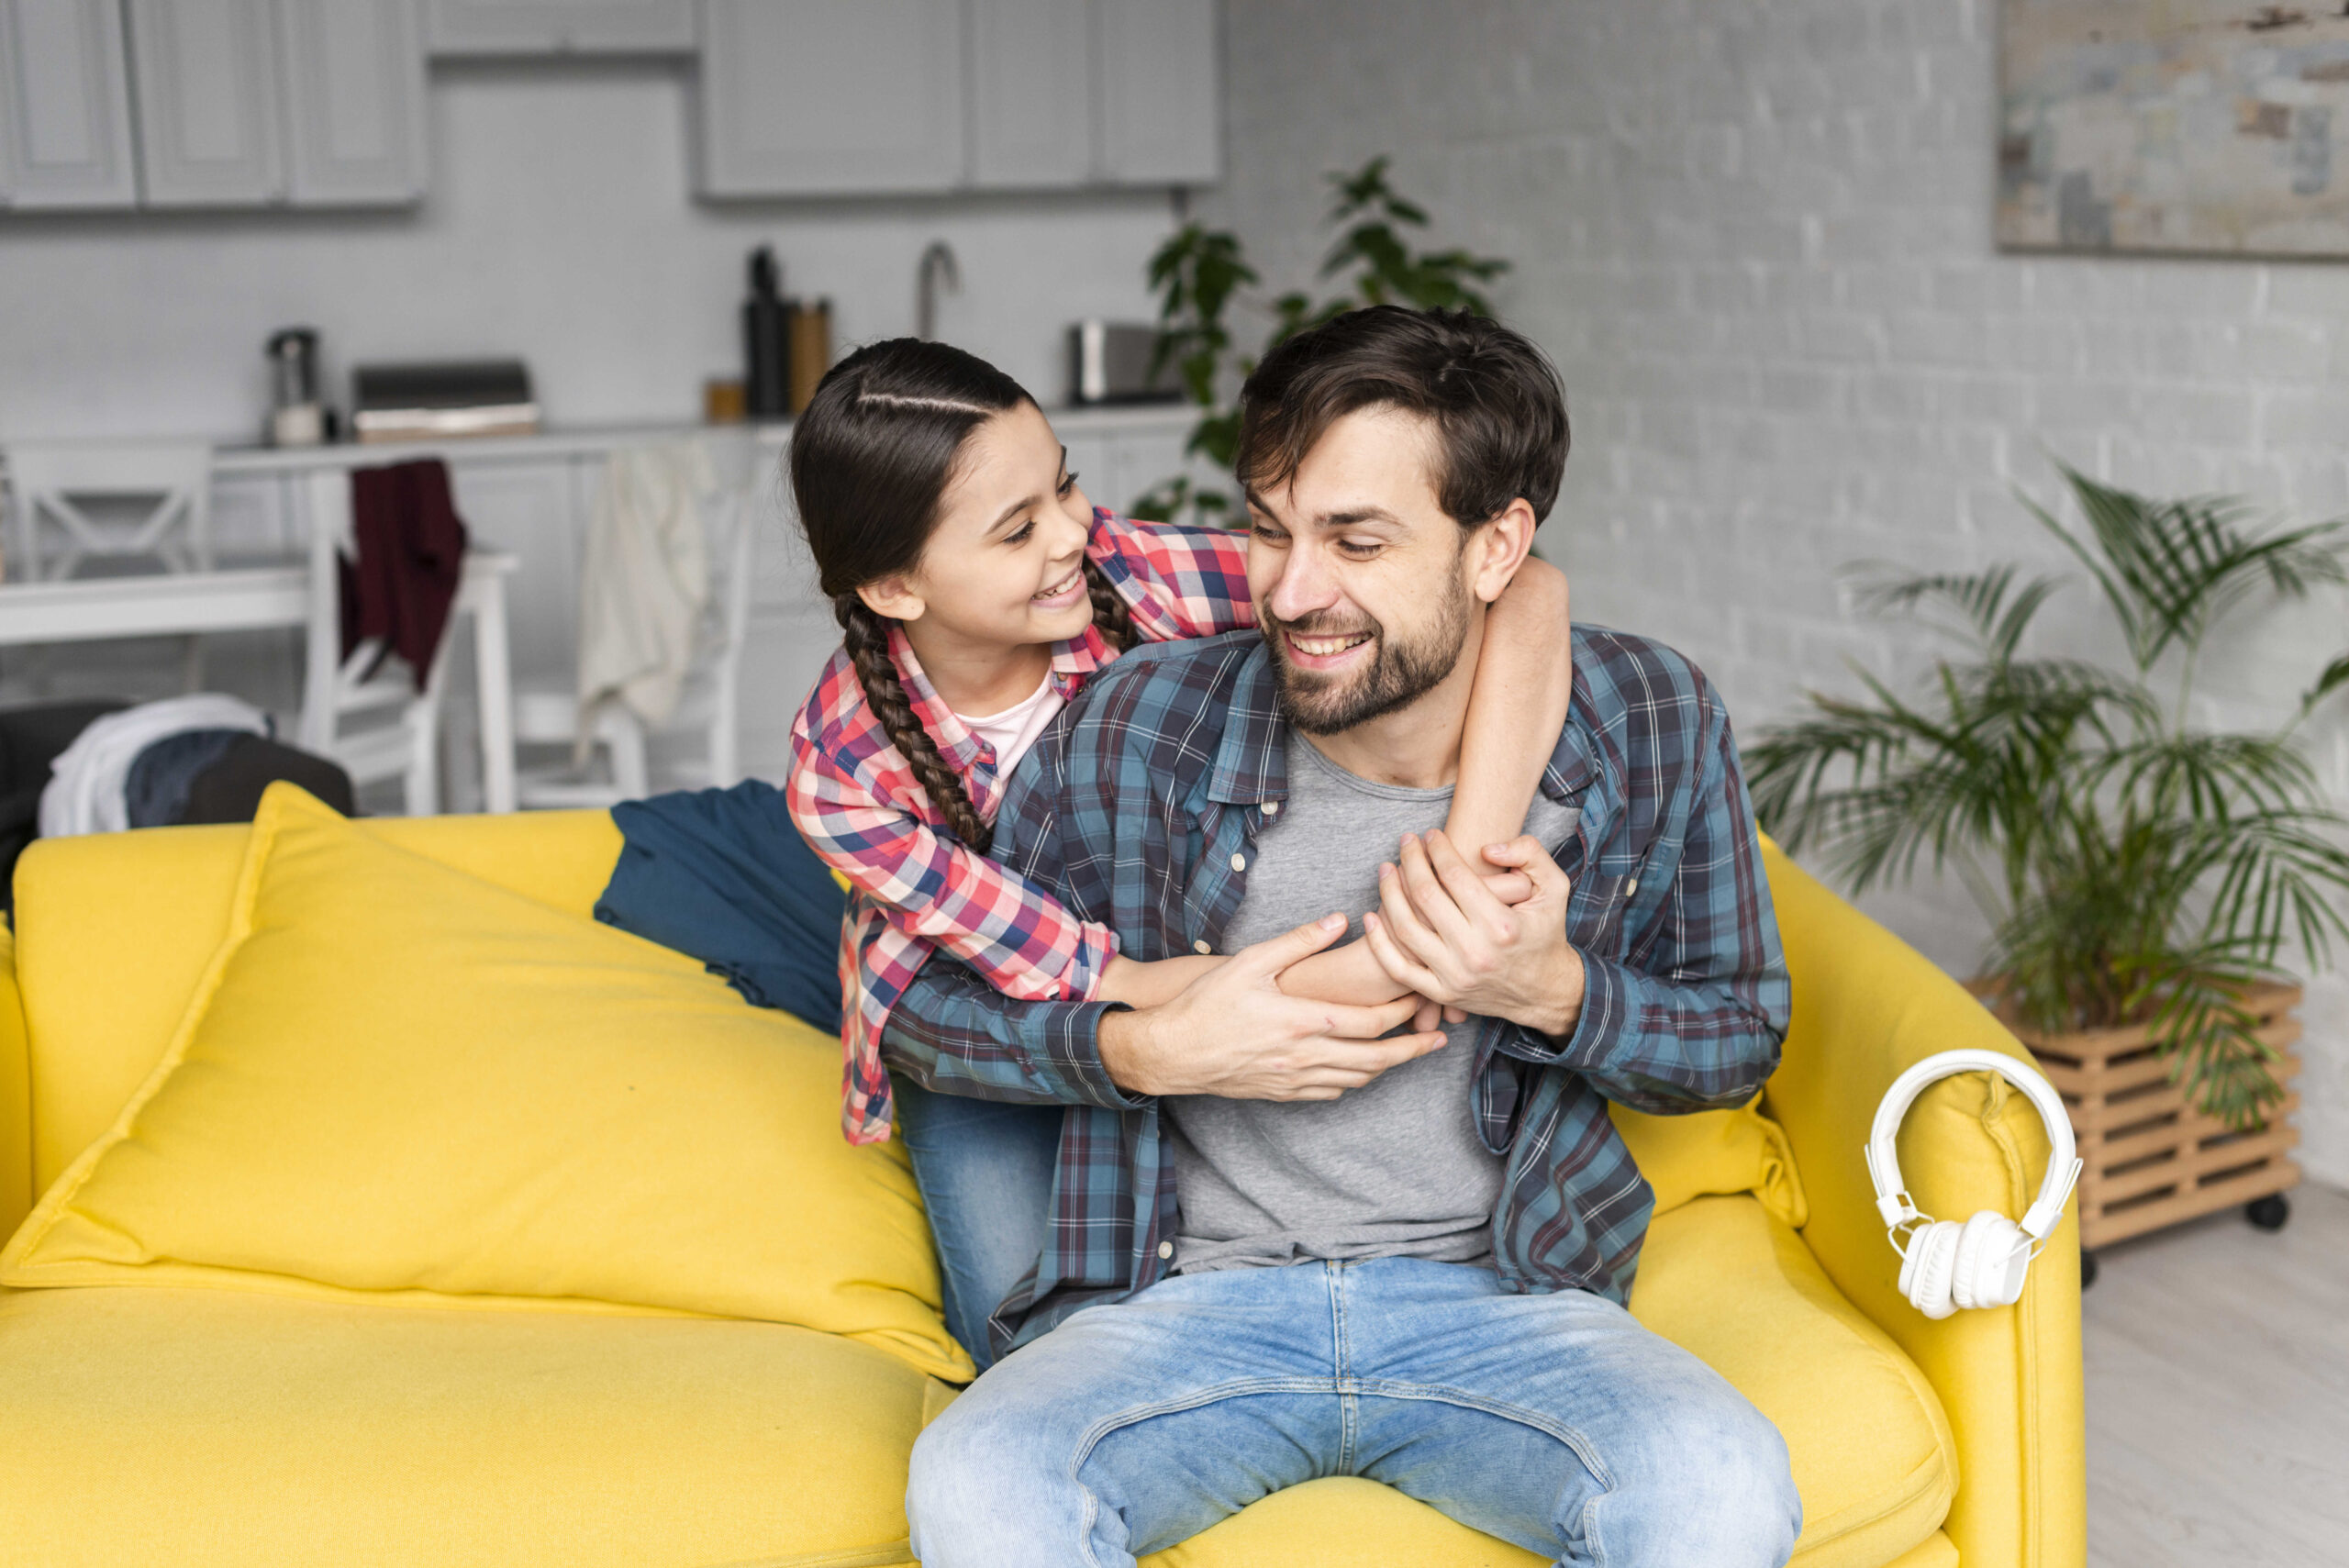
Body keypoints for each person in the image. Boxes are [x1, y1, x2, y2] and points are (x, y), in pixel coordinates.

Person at [885, 306, 1803, 1566]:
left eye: (1356, 541)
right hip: (1183, 1304)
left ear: (1498, 549)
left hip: (1506, 1302)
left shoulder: (1649, 716)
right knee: (979, 1481)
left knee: (1719, 1479)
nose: (1294, 590)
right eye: (1272, 530)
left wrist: (1553, 987)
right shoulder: (1139, 722)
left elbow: (1739, 1034)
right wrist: (1152, 1048)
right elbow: (928, 1016)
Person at [782, 338, 1574, 1363]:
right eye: (1019, 528)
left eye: (1063, 483)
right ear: (895, 588)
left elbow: (1528, 588)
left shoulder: (1131, 574)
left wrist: (1463, 868)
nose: (1074, 531)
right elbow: (1065, 965)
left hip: (1164, 961)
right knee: (1035, 1348)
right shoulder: (841, 771)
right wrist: (1207, 1021)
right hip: (992, 1008)